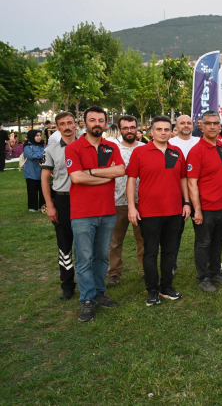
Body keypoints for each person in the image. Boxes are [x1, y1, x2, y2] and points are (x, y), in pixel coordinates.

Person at [65, 106, 126, 322]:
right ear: (85, 123)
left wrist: (90, 172)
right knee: (84, 259)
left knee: (102, 256)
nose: (97, 123)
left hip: (107, 212)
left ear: (106, 123)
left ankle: (99, 293)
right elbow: (77, 178)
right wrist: (104, 176)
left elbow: (120, 170)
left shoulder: (111, 147)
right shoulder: (73, 147)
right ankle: (87, 299)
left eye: (101, 120)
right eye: (92, 120)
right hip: (82, 214)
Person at [126, 116, 189, 306]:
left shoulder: (177, 152)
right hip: (149, 212)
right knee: (150, 252)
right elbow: (131, 180)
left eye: (166, 129)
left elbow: (183, 179)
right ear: (151, 132)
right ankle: (152, 290)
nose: (163, 132)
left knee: (170, 251)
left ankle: (167, 287)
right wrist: (131, 206)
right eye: (159, 129)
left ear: (172, 131)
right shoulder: (140, 152)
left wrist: (186, 203)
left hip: (174, 211)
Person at [187, 111, 222, 292]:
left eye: (216, 123)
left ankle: (215, 272)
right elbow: (191, 183)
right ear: (202, 126)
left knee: (217, 242)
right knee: (203, 243)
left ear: (220, 126)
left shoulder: (220, 147)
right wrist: (196, 210)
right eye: (208, 123)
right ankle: (203, 277)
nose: (212, 127)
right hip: (206, 208)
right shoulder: (196, 151)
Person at [41, 112, 77, 299]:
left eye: (70, 122)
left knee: (88, 243)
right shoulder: (51, 150)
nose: (67, 126)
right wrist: (50, 205)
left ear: (76, 124)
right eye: (62, 123)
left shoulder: (86, 146)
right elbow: (45, 178)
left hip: (85, 199)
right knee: (64, 243)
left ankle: (92, 283)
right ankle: (67, 284)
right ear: (57, 127)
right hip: (63, 200)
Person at [106, 116, 146, 286]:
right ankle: (114, 272)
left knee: (144, 240)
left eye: (132, 127)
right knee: (115, 241)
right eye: (125, 128)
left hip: (142, 201)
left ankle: (146, 270)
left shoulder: (145, 148)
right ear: (120, 130)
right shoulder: (113, 149)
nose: (129, 130)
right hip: (117, 201)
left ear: (137, 128)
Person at [169, 115, 201, 272]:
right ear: (177, 125)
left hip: (198, 191)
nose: (186, 125)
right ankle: (172, 265)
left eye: (189, 123)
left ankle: (209, 261)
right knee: (175, 232)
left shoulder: (199, 141)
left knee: (203, 230)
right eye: (182, 123)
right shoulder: (170, 143)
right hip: (176, 193)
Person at [23, 130, 45, 212]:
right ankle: (33, 207)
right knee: (32, 190)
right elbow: (30, 155)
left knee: (43, 190)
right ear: (32, 137)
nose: (39, 137)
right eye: (37, 136)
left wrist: (40, 154)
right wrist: (41, 154)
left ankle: (42, 206)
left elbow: (46, 153)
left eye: (40, 135)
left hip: (41, 171)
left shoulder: (41, 145)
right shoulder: (28, 146)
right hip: (31, 172)